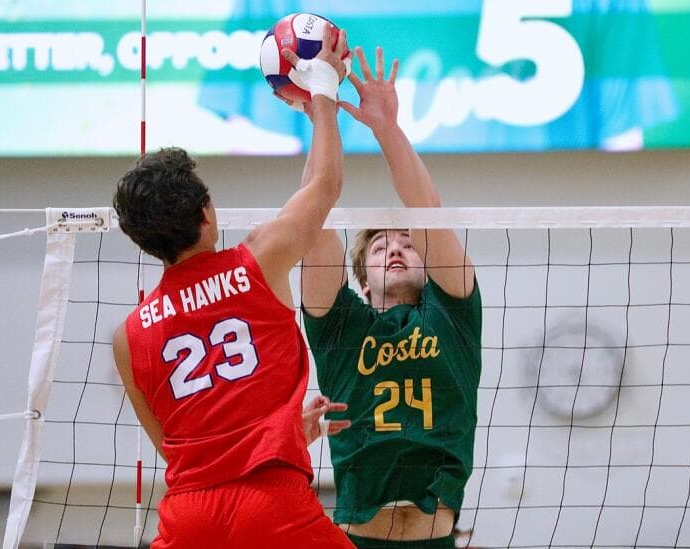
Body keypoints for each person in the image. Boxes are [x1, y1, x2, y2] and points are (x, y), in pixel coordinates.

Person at [111, 26, 355, 549]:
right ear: (206, 213)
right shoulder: (257, 261)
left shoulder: (128, 337)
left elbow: (176, 448)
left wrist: (284, 433)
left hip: (189, 515)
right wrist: (324, 96)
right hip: (271, 502)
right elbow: (325, 188)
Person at [300, 46, 483, 548]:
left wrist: (385, 127)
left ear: (428, 264)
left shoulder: (455, 315)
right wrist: (322, 108)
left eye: (407, 242)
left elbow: (426, 208)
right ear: (361, 280)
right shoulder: (342, 327)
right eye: (381, 245)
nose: (398, 248)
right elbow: (312, 220)